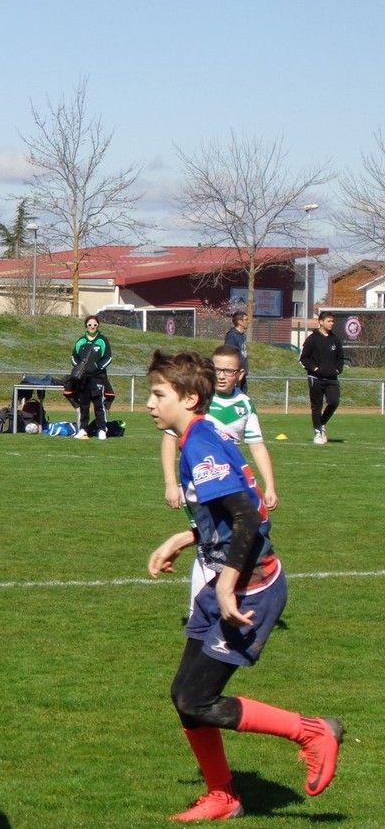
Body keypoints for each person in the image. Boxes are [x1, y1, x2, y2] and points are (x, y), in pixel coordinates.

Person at [145, 350, 342, 822]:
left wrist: (228, 585)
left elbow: (249, 517)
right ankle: (223, 796)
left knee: (197, 699)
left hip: (250, 586)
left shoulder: (200, 443)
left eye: (158, 394)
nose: (149, 404)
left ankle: (313, 732)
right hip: (224, 579)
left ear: (189, 398)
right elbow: (237, 509)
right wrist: (185, 537)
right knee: (184, 697)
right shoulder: (202, 433)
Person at [161, 345, 278, 515]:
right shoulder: (194, 399)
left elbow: (258, 447)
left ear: (240, 374)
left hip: (231, 483)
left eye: (229, 371)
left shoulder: (245, 404)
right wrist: (171, 484)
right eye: (217, 370)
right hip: (197, 483)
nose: (221, 376)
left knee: (229, 536)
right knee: (211, 536)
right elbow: (170, 439)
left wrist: (270, 487)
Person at [299, 311, 345, 445]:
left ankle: (322, 423)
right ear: (321, 322)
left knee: (334, 402)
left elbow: (340, 358)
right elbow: (303, 358)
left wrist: (338, 369)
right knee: (316, 407)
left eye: (333, 321)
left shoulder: (335, 339)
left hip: (331, 378)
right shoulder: (312, 339)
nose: (332, 323)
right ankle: (318, 432)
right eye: (329, 321)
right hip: (315, 378)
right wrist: (315, 369)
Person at [69, 315, 114, 440]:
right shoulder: (81, 341)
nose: (92, 327)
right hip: (84, 379)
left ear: (98, 326)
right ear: (86, 326)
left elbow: (108, 357)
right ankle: (83, 429)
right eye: (90, 325)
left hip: (98, 378)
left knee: (99, 404)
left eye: (95, 325)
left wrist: (97, 367)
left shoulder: (102, 340)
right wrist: (79, 367)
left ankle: (102, 429)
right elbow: (73, 357)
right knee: (84, 405)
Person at [223, 311, 249, 392]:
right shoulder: (231, 336)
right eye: (246, 319)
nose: (248, 321)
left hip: (242, 373)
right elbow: (229, 354)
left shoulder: (242, 335)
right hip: (235, 373)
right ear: (240, 322)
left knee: (243, 397)